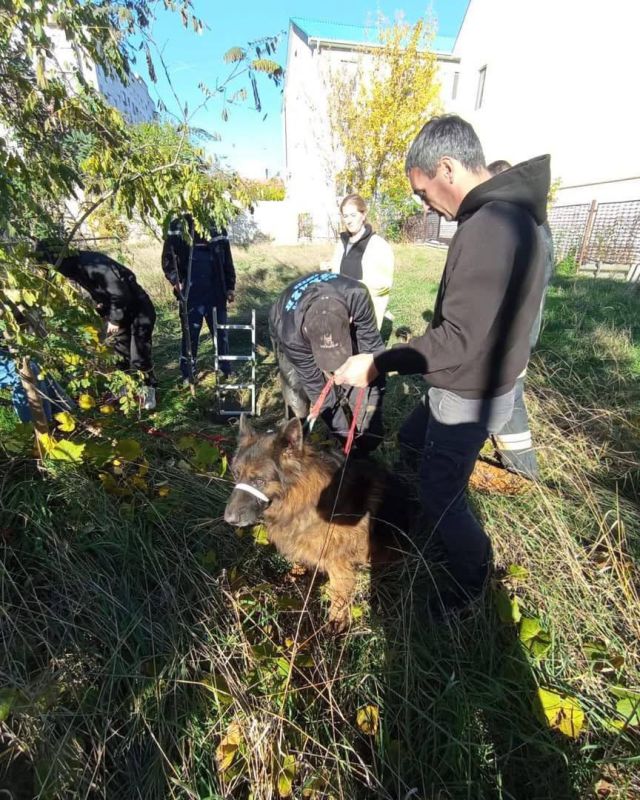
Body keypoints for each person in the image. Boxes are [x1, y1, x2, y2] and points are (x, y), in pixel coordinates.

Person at [335, 115, 550, 609]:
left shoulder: (491, 227)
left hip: (469, 394)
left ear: (447, 168)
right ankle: (422, 515)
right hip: (473, 383)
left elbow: (458, 337)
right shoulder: (510, 217)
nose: (424, 203)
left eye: (422, 191)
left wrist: (379, 362)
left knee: (440, 493)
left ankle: (471, 582)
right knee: (412, 441)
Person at [484, 159, 556, 480]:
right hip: (521, 333)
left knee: (508, 400)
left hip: (512, 335)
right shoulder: (535, 222)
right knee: (509, 397)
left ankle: (523, 472)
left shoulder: (519, 225)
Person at [269, 271, 386, 453]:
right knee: (297, 397)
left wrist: (373, 411)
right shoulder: (291, 336)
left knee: (357, 380)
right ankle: (293, 448)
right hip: (283, 320)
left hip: (340, 306)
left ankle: (361, 433)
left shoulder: (357, 296)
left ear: (349, 319)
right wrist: (345, 439)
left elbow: (373, 354)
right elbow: (316, 389)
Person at [37, 243, 158, 409]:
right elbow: (101, 292)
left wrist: (115, 320)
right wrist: (101, 306)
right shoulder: (76, 266)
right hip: (119, 310)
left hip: (138, 310)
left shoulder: (93, 264)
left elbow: (119, 294)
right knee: (120, 353)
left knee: (139, 353)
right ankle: (125, 390)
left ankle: (148, 389)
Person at [161, 215, 236, 382]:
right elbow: (167, 259)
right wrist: (176, 281)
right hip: (190, 293)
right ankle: (188, 372)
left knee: (221, 332)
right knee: (190, 334)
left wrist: (230, 286)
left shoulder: (217, 225)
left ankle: (225, 368)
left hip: (216, 291)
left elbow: (227, 259)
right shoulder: (178, 226)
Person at [324, 194, 394, 330]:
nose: (349, 221)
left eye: (353, 215)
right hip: (342, 311)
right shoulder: (342, 243)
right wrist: (330, 268)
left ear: (363, 214)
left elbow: (384, 283)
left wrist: (353, 294)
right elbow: (340, 273)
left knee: (361, 344)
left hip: (365, 316)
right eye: (345, 216)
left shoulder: (379, 245)